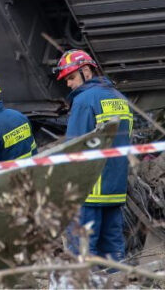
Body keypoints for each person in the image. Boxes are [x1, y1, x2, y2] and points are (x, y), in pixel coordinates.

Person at [56, 49, 133, 261]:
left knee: (81, 256)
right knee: (113, 255)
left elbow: (74, 148)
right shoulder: (120, 98)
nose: (69, 84)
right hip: (115, 190)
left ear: (87, 72)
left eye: (71, 78)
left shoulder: (84, 100)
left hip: (87, 192)